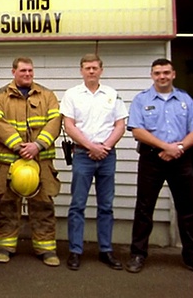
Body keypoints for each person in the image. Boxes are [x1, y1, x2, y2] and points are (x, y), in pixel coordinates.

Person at [125, 58, 193, 273]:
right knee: (144, 209)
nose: (162, 76)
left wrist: (179, 148)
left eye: (166, 72)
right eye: (157, 73)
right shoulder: (141, 100)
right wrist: (166, 146)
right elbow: (137, 130)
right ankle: (138, 254)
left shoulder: (186, 100)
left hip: (181, 159)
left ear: (173, 74)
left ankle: (191, 256)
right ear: (152, 75)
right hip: (151, 159)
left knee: (187, 210)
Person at [0, 57, 62, 267]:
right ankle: (4, 246)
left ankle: (46, 249)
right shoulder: (0, 96)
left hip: (41, 161)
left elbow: (55, 122)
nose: (27, 74)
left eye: (30, 70)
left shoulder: (47, 95)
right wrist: (20, 146)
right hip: (9, 161)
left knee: (43, 205)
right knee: (7, 205)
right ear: (13, 72)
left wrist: (37, 145)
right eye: (23, 71)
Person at [60, 54, 128, 271]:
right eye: (87, 68)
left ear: (101, 70)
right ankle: (75, 251)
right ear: (81, 70)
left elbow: (120, 125)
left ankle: (106, 250)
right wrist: (91, 147)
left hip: (107, 155)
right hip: (82, 154)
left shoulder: (112, 94)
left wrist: (104, 147)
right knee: (77, 205)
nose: (91, 71)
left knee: (106, 206)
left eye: (95, 68)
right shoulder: (72, 94)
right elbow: (69, 125)